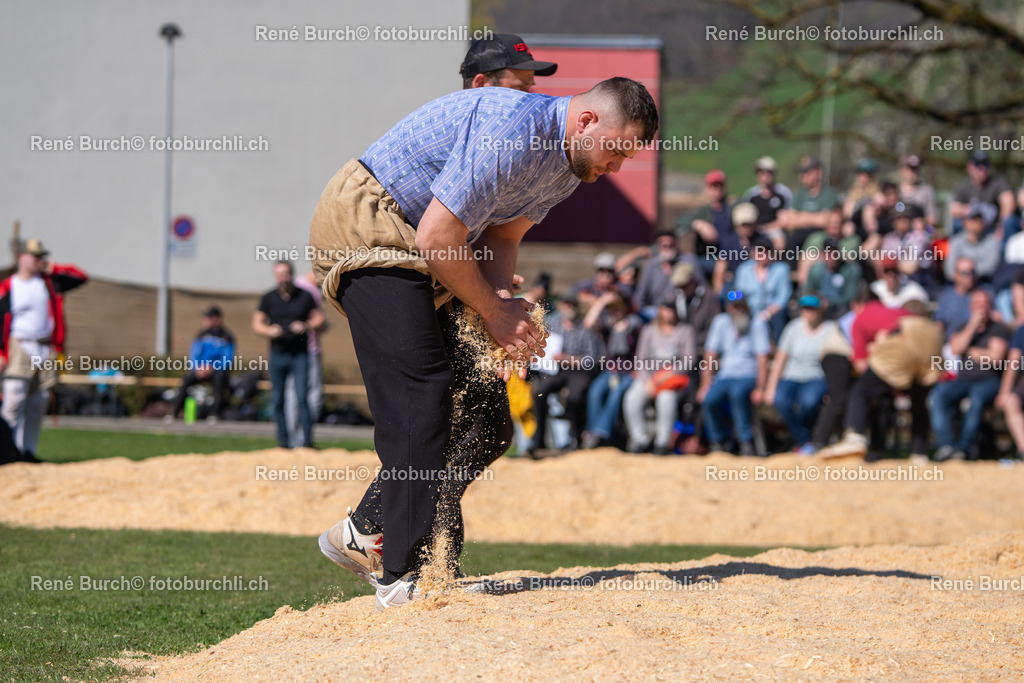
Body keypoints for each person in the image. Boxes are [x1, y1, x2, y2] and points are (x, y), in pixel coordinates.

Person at [309, 77, 658, 609]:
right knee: (424, 392)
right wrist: (494, 314)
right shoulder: (515, 132)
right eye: (616, 151)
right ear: (586, 120)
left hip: (425, 246)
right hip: (370, 225)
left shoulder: (568, 167)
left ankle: (365, 530)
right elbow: (437, 236)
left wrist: (502, 314)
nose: (617, 168)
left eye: (627, 158)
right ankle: (397, 577)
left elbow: (501, 237)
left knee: (485, 421)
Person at [817, 300, 942, 460]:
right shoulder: (893, 312)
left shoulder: (858, 320)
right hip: (932, 334)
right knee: (918, 400)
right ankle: (919, 452)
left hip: (903, 334)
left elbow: (862, 366)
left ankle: (855, 437)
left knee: (860, 390)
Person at [0, 239, 87, 462]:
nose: (40, 260)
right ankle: (8, 451)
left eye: (41, 256)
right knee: (14, 400)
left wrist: (54, 268)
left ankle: (27, 451)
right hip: (19, 344)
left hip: (47, 347)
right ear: (21, 257)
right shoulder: (8, 286)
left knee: (39, 402)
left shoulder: (49, 282)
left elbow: (81, 277)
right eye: (34, 256)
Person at [928, 290, 1009, 461]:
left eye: (985, 303)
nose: (982, 307)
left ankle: (964, 449)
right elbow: (956, 348)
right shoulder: (963, 326)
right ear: (971, 306)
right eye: (978, 303)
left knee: (975, 399)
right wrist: (972, 326)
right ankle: (947, 446)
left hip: (989, 381)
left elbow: (995, 358)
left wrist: (970, 350)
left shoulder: (998, 328)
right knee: (938, 396)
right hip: (963, 380)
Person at [253, 260, 324, 449]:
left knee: (302, 398)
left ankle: (307, 442)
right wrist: (270, 331)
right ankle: (283, 442)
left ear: (291, 274)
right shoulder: (269, 297)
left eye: (285, 273)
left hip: (300, 354)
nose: (282, 277)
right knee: (278, 399)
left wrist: (305, 326)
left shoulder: (305, 295)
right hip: (277, 353)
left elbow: (319, 319)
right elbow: (257, 323)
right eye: (279, 274)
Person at [526, 295, 604, 456]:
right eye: (566, 304)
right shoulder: (553, 326)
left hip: (579, 370)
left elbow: (592, 360)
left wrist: (568, 358)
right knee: (540, 393)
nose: (569, 308)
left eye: (572, 305)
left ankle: (575, 437)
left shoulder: (585, 329)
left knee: (575, 396)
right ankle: (538, 438)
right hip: (557, 369)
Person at [698, 295, 771, 456]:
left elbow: (762, 359)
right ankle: (717, 441)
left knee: (738, 394)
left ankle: (745, 441)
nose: (737, 311)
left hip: (748, 374)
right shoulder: (720, 322)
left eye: (740, 306)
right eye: (733, 307)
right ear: (728, 308)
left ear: (746, 307)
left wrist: (760, 387)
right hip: (725, 375)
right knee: (710, 399)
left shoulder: (757, 323)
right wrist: (705, 385)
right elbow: (710, 355)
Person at [621, 301, 697, 454]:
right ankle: (640, 440)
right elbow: (640, 360)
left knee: (666, 399)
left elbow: (690, 360)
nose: (668, 314)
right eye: (665, 310)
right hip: (649, 378)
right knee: (632, 398)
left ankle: (662, 443)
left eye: (672, 310)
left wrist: (669, 373)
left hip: (673, 380)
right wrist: (649, 380)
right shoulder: (649, 330)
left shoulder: (685, 330)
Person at [762, 295, 835, 454]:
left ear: (820, 309)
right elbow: (780, 359)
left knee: (808, 403)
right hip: (791, 375)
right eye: (806, 308)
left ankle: (805, 441)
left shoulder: (830, 328)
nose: (809, 312)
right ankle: (806, 441)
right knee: (780, 400)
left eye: (812, 308)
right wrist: (770, 387)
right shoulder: (793, 328)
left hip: (816, 376)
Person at [581, 292, 642, 450]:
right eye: (612, 309)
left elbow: (642, 349)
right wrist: (601, 301)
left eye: (617, 308)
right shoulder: (608, 325)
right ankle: (592, 432)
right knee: (596, 390)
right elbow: (588, 323)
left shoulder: (634, 324)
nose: (615, 311)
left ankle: (599, 433)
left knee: (616, 393)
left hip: (630, 371)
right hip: (610, 371)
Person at [283, 272, 328, 447]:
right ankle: (303, 439)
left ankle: (293, 440)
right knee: (312, 396)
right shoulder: (309, 291)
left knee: (292, 395)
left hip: (290, 350)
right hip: (308, 350)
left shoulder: (294, 287)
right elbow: (319, 322)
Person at [173, 306, 235, 420]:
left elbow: (227, 358)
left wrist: (213, 368)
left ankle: (214, 414)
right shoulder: (201, 335)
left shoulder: (227, 336)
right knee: (186, 380)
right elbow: (194, 355)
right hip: (200, 370)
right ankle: (175, 413)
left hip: (216, 371)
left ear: (217, 319)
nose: (205, 320)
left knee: (220, 381)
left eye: (208, 317)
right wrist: (198, 368)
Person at [732, 235, 792, 342]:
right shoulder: (744, 270)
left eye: (766, 251)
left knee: (778, 317)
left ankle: (778, 349)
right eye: (760, 251)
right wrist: (737, 300)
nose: (763, 255)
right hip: (749, 310)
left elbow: (783, 296)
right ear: (753, 252)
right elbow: (739, 292)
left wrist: (767, 313)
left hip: (772, 312)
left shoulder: (781, 269)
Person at [775, 155, 840, 252]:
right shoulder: (799, 194)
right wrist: (813, 218)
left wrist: (801, 216)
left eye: (806, 172)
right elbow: (788, 222)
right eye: (801, 172)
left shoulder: (829, 193)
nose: (802, 176)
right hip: (798, 235)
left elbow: (825, 221)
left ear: (818, 172)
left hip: (820, 235)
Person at [951, 151, 1018, 240]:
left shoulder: (998, 182)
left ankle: (1006, 253)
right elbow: (954, 210)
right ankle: (959, 251)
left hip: (994, 229)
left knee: (1009, 222)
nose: (982, 168)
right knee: (957, 223)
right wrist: (968, 211)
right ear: (970, 167)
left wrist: (1000, 225)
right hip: (974, 230)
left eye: (985, 164)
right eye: (977, 164)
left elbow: (1009, 202)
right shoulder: (964, 186)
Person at [677, 170, 732, 277]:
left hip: (730, 255)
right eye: (713, 186)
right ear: (707, 188)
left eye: (719, 185)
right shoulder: (703, 211)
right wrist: (698, 224)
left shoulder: (731, 207)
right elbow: (679, 222)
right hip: (707, 256)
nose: (717, 189)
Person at [459, 32, 557, 91]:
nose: (530, 99)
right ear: (481, 84)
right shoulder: (447, 123)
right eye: (520, 90)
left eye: (529, 88)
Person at [945, 205, 1002, 283]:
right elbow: (949, 270)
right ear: (965, 222)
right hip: (959, 284)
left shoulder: (993, 241)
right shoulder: (956, 242)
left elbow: (991, 267)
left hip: (983, 283)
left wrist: (967, 270)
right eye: (974, 219)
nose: (977, 223)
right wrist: (966, 274)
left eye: (980, 219)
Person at [740, 156, 792, 229]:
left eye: (768, 172)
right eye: (761, 172)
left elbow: (788, 216)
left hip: (776, 229)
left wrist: (767, 228)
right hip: (755, 231)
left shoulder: (783, 193)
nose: (765, 176)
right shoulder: (751, 195)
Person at [898, 155, 938, 228]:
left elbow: (933, 219)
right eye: (909, 169)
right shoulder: (895, 191)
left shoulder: (927, 190)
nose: (912, 173)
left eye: (915, 169)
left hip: (920, 232)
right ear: (902, 170)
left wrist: (921, 222)